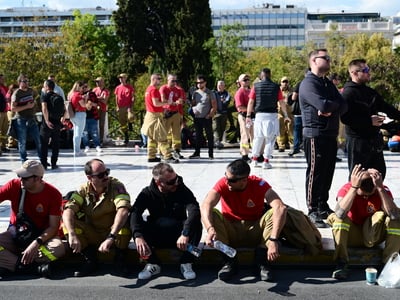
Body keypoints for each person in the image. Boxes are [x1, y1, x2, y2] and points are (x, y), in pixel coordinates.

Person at [200, 159, 322, 282]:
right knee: (213, 213)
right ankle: (229, 262)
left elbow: (280, 207)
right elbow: (206, 205)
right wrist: (210, 229)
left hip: (255, 230)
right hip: (231, 230)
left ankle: (262, 262)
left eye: (231, 180)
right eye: (225, 177)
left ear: (244, 180)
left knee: (273, 213)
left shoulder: (259, 184)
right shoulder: (223, 183)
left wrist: (274, 239)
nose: (227, 182)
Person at [299, 49, 347, 228]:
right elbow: (322, 104)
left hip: (330, 133)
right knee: (315, 172)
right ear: (313, 60)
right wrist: (330, 106)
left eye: (329, 57)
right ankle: (312, 209)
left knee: (327, 172)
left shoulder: (326, 83)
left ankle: (322, 205)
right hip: (315, 134)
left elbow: (344, 105)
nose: (328, 60)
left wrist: (331, 107)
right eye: (324, 58)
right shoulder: (308, 83)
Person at [130, 162, 202, 280]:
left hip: (180, 237)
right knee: (132, 220)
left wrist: (185, 233)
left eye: (176, 179)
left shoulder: (181, 189)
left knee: (196, 222)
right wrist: (138, 236)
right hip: (157, 234)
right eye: (171, 182)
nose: (176, 183)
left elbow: (194, 209)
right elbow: (135, 213)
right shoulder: (147, 193)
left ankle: (186, 262)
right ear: (159, 182)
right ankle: (153, 263)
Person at [327, 164, 400, 280]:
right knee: (338, 220)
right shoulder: (348, 188)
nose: (366, 196)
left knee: (396, 222)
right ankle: (342, 262)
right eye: (363, 192)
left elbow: (394, 215)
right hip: (352, 235)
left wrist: (380, 188)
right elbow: (339, 213)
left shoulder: (382, 189)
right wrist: (354, 188)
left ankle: (387, 264)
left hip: (374, 234)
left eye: (369, 193)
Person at [62, 159, 131, 277]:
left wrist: (111, 236)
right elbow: (68, 210)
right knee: (67, 225)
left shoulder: (116, 186)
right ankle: (90, 259)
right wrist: (72, 234)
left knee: (124, 222)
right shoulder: (83, 189)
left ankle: (120, 258)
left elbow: (123, 210)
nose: (106, 177)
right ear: (89, 178)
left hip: (113, 234)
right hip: (93, 233)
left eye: (106, 172)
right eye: (100, 175)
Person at [0, 160, 65, 279]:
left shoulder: (53, 194)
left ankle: (12, 263)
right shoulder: (14, 185)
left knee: (58, 249)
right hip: (16, 236)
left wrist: (35, 244)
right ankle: (33, 267)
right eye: (19, 176)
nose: (20, 180)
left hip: (41, 239)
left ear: (37, 179)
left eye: (25, 178)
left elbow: (53, 227)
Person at [341, 59, 400, 180]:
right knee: (358, 177)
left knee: (379, 175)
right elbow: (345, 118)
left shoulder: (370, 92)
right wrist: (369, 121)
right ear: (354, 73)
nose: (369, 73)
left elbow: (387, 108)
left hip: (374, 140)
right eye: (366, 70)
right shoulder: (348, 93)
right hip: (357, 142)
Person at [246, 68, 290, 169]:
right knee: (270, 139)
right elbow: (282, 102)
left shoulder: (255, 86)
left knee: (258, 138)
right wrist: (286, 115)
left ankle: (254, 160)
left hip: (259, 116)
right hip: (272, 116)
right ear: (270, 75)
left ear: (261, 76)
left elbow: (251, 102)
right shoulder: (276, 87)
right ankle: (266, 161)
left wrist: (248, 115)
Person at [141, 74, 178, 163]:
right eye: (158, 79)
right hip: (155, 116)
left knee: (152, 137)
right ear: (153, 79)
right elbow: (156, 103)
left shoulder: (148, 89)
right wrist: (167, 103)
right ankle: (167, 156)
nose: (160, 81)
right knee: (162, 136)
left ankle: (151, 156)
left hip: (149, 115)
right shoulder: (154, 90)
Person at [11, 74, 42, 162]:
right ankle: (23, 160)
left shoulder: (31, 91)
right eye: (24, 81)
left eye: (27, 81)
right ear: (19, 82)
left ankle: (42, 158)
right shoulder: (16, 93)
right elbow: (13, 108)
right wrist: (26, 106)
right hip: (21, 119)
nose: (27, 83)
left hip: (32, 118)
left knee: (38, 139)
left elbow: (37, 99)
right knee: (22, 141)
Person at [189, 75, 217, 159]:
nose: (199, 84)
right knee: (198, 135)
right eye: (197, 83)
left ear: (205, 83)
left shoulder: (209, 93)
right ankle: (197, 152)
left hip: (206, 117)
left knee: (209, 135)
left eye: (201, 82)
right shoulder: (195, 93)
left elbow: (214, 105)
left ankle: (211, 153)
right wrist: (193, 108)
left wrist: (210, 115)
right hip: (197, 117)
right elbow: (193, 104)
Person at [40, 79, 65, 170]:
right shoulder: (59, 96)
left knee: (44, 143)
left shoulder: (45, 96)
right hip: (57, 122)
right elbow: (64, 110)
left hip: (47, 123)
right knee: (55, 143)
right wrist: (62, 119)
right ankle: (54, 163)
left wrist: (47, 121)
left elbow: (44, 108)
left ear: (47, 87)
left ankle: (44, 164)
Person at [160, 74, 185, 159]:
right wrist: (173, 103)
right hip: (167, 112)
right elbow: (163, 100)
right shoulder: (164, 88)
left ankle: (176, 150)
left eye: (175, 81)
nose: (174, 83)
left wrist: (180, 101)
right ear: (168, 80)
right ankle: (163, 151)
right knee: (165, 133)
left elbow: (181, 99)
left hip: (176, 112)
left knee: (176, 134)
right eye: (172, 81)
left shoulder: (178, 90)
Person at [234, 74, 253, 162]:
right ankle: (244, 155)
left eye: (248, 79)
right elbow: (240, 107)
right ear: (240, 82)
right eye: (244, 80)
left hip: (252, 116)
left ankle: (255, 153)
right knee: (245, 136)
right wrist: (251, 110)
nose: (247, 81)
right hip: (243, 116)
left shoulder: (251, 91)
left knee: (253, 136)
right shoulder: (239, 92)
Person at [114, 73, 135, 146]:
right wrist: (117, 106)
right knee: (122, 123)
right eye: (120, 78)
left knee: (130, 117)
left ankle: (130, 124)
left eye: (122, 78)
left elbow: (132, 97)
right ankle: (126, 136)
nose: (121, 79)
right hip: (121, 106)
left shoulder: (129, 87)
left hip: (128, 106)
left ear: (125, 78)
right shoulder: (118, 88)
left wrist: (131, 105)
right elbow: (116, 98)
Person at [67, 81, 87, 156]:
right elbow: (84, 105)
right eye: (82, 87)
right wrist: (86, 98)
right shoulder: (78, 94)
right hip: (80, 114)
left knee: (76, 133)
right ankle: (77, 150)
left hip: (73, 115)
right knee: (78, 133)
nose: (83, 89)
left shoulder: (70, 94)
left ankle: (76, 149)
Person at [81, 84, 102, 154]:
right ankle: (86, 146)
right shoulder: (80, 95)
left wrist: (91, 103)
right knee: (85, 133)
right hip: (83, 116)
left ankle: (97, 145)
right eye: (83, 87)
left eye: (86, 87)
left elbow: (97, 104)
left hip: (93, 116)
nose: (85, 88)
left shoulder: (92, 94)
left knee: (94, 132)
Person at [276, 76, 294, 152]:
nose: (285, 83)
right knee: (281, 129)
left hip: (290, 113)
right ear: (281, 83)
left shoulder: (291, 91)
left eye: (286, 82)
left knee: (290, 129)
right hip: (280, 113)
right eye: (283, 82)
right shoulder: (277, 91)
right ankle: (281, 145)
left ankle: (292, 144)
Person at [213, 80, 231, 149]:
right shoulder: (214, 93)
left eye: (221, 85)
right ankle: (217, 142)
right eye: (218, 85)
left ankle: (219, 141)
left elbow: (226, 102)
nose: (219, 86)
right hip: (216, 113)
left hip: (224, 113)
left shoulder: (227, 94)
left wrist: (221, 102)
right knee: (216, 127)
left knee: (222, 128)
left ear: (224, 86)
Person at [92, 77, 110, 146]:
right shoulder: (94, 90)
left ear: (102, 82)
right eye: (96, 82)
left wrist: (96, 98)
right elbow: (91, 98)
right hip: (95, 109)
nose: (97, 83)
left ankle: (101, 140)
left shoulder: (106, 91)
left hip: (102, 109)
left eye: (98, 81)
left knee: (101, 125)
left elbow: (105, 101)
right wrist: (100, 98)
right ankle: (95, 140)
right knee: (94, 125)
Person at [0, 74, 9, 154]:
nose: (3, 80)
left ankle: (3, 146)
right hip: (0, 112)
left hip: (5, 111)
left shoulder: (4, 88)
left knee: (4, 130)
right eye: (2, 79)